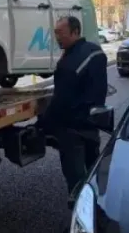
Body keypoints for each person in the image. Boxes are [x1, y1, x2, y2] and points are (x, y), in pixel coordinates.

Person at [36, 16, 108, 197]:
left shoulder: (69, 63)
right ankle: (99, 205)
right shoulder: (95, 51)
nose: (57, 38)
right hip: (92, 124)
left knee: (76, 179)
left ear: (75, 32)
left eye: (61, 33)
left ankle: (79, 209)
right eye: (55, 33)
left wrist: (42, 123)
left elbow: (61, 100)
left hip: (72, 129)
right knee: (94, 172)